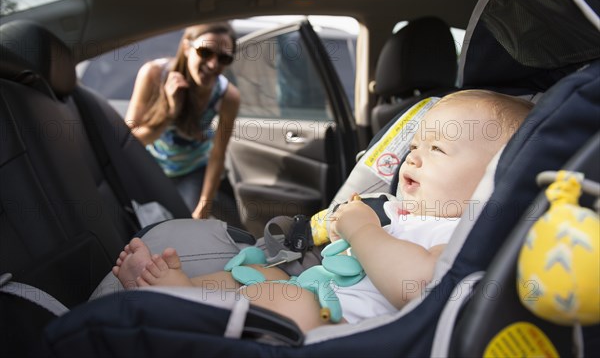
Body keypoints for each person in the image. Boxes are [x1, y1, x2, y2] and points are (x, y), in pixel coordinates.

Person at [113, 89, 533, 333]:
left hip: (344, 329)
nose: (413, 159)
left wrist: (364, 230)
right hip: (323, 291)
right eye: (416, 146)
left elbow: (416, 284)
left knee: (287, 297)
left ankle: (188, 307)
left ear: (491, 180)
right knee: (267, 275)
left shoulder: (465, 232)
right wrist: (340, 227)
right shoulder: (398, 209)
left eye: (437, 149)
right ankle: (185, 290)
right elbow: (342, 243)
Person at [125, 22, 240, 220]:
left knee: (184, 226)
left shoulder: (228, 96)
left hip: (193, 170)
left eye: (223, 58)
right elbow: (129, 143)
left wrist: (203, 208)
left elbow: (217, 156)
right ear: (187, 47)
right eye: (205, 52)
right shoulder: (153, 74)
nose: (213, 64)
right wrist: (169, 112)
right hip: (151, 167)